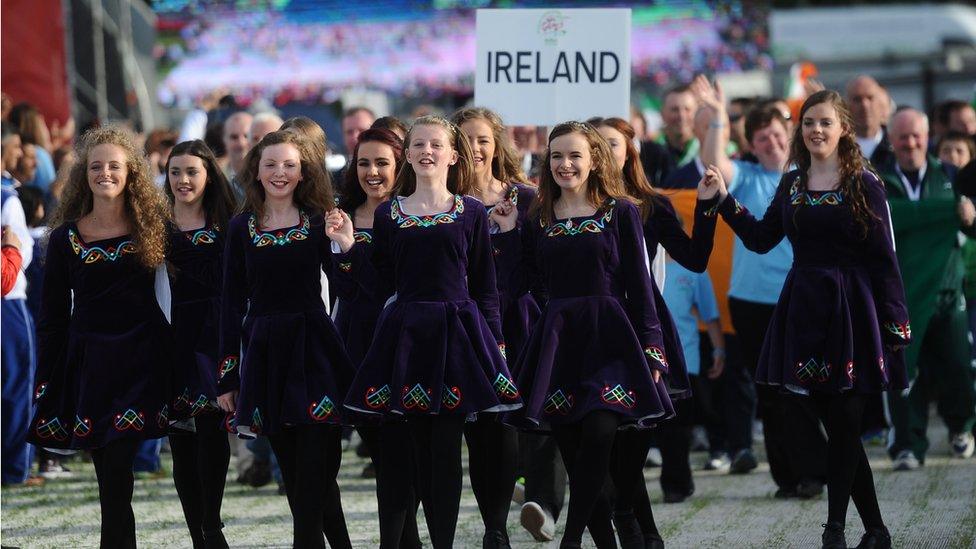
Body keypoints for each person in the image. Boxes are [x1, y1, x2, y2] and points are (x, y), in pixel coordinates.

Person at [700, 90, 911, 549]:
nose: (816, 130)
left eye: (825, 122)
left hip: (853, 311)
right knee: (837, 427)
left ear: (842, 130)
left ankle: (835, 528)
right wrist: (723, 202)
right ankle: (876, 530)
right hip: (804, 309)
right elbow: (759, 238)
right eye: (809, 122)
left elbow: (883, 258)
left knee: (846, 423)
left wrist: (896, 321)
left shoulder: (864, 183)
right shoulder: (792, 183)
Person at [327, 115, 519, 549]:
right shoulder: (389, 214)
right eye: (418, 145)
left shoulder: (470, 211)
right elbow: (377, 287)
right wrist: (347, 247)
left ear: (453, 155)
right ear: (408, 155)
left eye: (436, 145)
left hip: (457, 339)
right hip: (407, 338)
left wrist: (496, 347)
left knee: (446, 453)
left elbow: (486, 289)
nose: (427, 152)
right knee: (409, 451)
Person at [509, 121, 691, 549]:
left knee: (599, 433)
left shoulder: (620, 211)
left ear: (594, 161)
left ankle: (571, 540)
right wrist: (504, 235)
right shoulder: (539, 216)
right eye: (556, 156)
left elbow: (640, 285)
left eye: (574, 155)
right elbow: (527, 283)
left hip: (612, 338)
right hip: (560, 341)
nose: (565, 164)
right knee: (575, 454)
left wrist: (653, 349)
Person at [28, 126, 175, 546]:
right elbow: (52, 316)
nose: (105, 173)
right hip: (91, 367)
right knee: (109, 480)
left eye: (114, 165)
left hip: (142, 363)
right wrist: (48, 375)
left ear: (131, 173)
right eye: (96, 166)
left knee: (118, 476)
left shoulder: (153, 228)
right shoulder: (64, 239)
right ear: (83, 174)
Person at [217, 130, 354, 548]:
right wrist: (227, 376)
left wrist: (345, 247)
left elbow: (350, 290)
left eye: (289, 165)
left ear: (303, 172)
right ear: (255, 171)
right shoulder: (241, 228)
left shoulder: (319, 220)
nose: (280, 172)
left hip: (315, 351)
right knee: (298, 477)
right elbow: (229, 303)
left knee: (315, 469)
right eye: (271, 164)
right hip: (265, 356)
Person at [694, 76, 829, 492]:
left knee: (800, 387)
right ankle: (786, 476)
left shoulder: (808, 177)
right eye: (761, 137)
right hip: (751, 303)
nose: (771, 142)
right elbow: (713, 163)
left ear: (789, 135)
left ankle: (812, 472)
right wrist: (718, 116)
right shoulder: (747, 176)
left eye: (777, 133)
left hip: (800, 298)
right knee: (768, 390)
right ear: (751, 143)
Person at [591, 116, 719, 547]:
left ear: (631, 151)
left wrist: (705, 206)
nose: (603, 152)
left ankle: (631, 518)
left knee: (638, 432)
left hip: (642, 323)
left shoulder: (650, 204)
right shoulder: (568, 205)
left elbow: (696, 258)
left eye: (612, 143)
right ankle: (642, 531)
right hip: (591, 329)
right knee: (608, 434)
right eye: (595, 145)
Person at [333, 127, 421, 549]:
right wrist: (342, 248)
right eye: (364, 162)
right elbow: (345, 291)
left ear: (400, 164)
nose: (372, 172)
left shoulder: (412, 212)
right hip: (355, 343)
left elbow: (390, 287)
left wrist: (352, 252)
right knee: (383, 454)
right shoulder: (340, 214)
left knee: (402, 456)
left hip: (405, 342)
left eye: (382, 162)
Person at [453, 106, 537, 548]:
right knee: (479, 430)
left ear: (497, 144)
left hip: (515, 322)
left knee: (507, 425)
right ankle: (493, 526)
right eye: (465, 139)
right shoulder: (440, 202)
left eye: (483, 139)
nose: (475, 148)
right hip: (464, 326)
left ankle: (500, 526)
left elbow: (537, 267)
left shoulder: (527, 197)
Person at [879, 108, 976, 467]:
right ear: (892, 139)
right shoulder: (877, 180)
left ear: (928, 138)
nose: (910, 143)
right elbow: (883, 220)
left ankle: (960, 428)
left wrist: (968, 215)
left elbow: (970, 225)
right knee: (904, 373)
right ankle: (907, 443)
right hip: (900, 298)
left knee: (959, 369)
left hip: (948, 294)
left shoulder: (950, 175)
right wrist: (937, 212)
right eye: (903, 136)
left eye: (916, 135)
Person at [164, 140, 238, 548]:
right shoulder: (154, 224)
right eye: (175, 172)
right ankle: (199, 536)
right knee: (181, 442)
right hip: (172, 336)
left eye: (191, 171)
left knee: (211, 431)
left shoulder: (227, 222)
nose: (182, 180)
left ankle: (212, 525)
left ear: (208, 175)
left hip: (214, 334)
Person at [1, 181, 34, 487]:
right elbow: (9, 274)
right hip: (7, 304)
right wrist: (11, 249)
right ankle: (13, 469)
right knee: (16, 386)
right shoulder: (6, 198)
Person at [845, 75, 895, 170]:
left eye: (870, 98)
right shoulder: (838, 150)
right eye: (857, 99)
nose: (864, 105)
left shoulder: (896, 146)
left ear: (881, 104)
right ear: (847, 106)